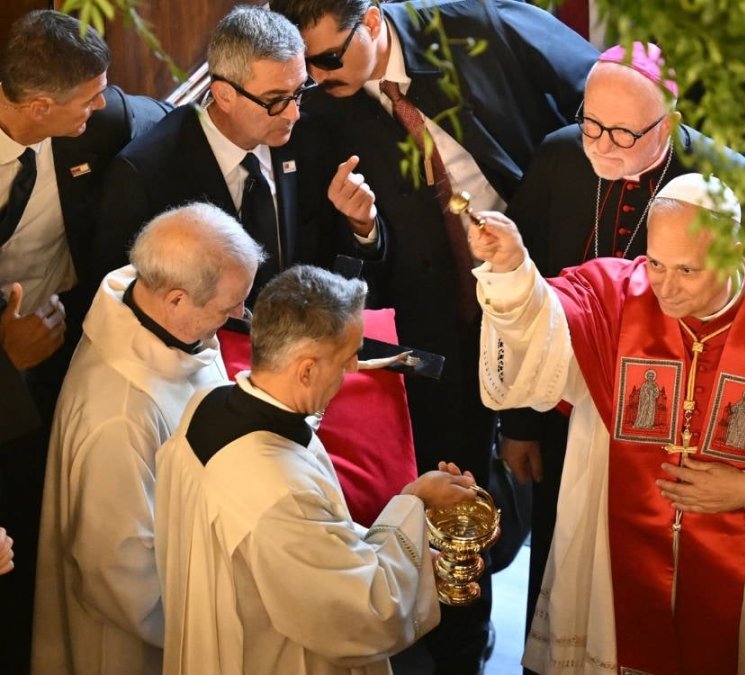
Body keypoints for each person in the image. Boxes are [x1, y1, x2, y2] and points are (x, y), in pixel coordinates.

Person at [268, 0, 599, 668]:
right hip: (436, 330)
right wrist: (361, 227)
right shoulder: (320, 107)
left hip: (546, 289)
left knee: (564, 462)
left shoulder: (471, 25)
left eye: (329, 58)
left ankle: (570, 633)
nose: (317, 78)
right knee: (455, 480)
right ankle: (463, 640)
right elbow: (340, 257)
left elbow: (591, 81)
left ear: (370, 21)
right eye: (306, 68)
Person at [468, 173, 745, 674]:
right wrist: (514, 270)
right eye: (657, 263)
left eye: (686, 270)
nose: (664, 288)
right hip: (617, 545)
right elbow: (544, 330)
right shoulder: (616, 299)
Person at [497, 42, 745, 650]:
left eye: (624, 134)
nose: (604, 146)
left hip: (694, 439)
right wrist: (520, 423)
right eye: (591, 125)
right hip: (577, 422)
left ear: (669, 120)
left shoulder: (726, 186)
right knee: (574, 565)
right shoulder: (560, 158)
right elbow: (523, 308)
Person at [155, 264, 477, 675]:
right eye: (347, 358)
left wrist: (407, 548)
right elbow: (363, 615)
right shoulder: (276, 486)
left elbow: (320, 537)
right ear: (306, 369)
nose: (354, 371)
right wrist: (414, 503)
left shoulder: (210, 403)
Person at [0, 10, 170, 672]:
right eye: (88, 97)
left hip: (67, 350)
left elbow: (165, 123)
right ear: (41, 105)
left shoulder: (102, 122)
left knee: (56, 510)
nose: (103, 105)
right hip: (3, 366)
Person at [32, 203, 264, 675]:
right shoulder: (120, 416)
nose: (241, 315)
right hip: (142, 641)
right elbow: (119, 575)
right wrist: (221, 626)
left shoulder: (148, 301)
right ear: (177, 299)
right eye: (228, 306)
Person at [92, 5, 377, 297]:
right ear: (224, 96)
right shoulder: (146, 175)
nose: (292, 113)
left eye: (299, 92)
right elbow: (122, 297)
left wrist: (362, 225)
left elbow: (335, 257)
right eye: (275, 100)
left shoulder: (310, 137)